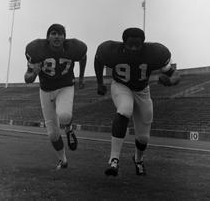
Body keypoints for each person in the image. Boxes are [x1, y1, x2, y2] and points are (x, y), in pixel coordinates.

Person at [94, 27, 180, 177]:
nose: (133, 48)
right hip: (121, 85)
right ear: (123, 43)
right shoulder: (111, 51)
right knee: (125, 109)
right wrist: (99, 82)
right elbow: (98, 61)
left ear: (143, 44)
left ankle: (138, 160)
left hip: (142, 90)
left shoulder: (154, 53)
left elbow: (175, 74)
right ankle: (114, 160)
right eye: (130, 45)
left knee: (143, 137)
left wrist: (170, 82)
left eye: (137, 45)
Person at [24, 23, 87, 170]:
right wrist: (34, 73)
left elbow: (83, 57)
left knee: (64, 115)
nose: (57, 36)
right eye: (53, 33)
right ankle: (63, 160)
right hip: (45, 90)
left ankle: (69, 128)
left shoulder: (74, 48)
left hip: (65, 86)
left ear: (65, 37)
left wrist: (82, 77)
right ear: (48, 37)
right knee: (52, 134)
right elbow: (28, 78)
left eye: (60, 33)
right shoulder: (37, 50)